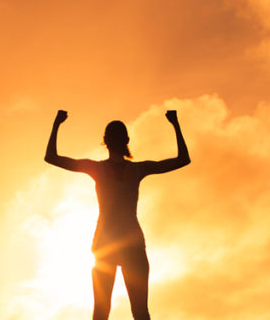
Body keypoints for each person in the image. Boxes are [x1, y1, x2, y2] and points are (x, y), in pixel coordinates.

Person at [44, 109, 190, 320]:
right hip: (108, 245)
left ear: (106, 141)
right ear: (120, 140)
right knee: (113, 313)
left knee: (131, 313)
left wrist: (57, 122)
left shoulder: (132, 169)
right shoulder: (103, 168)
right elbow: (51, 158)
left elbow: (183, 160)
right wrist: (175, 123)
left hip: (123, 245)